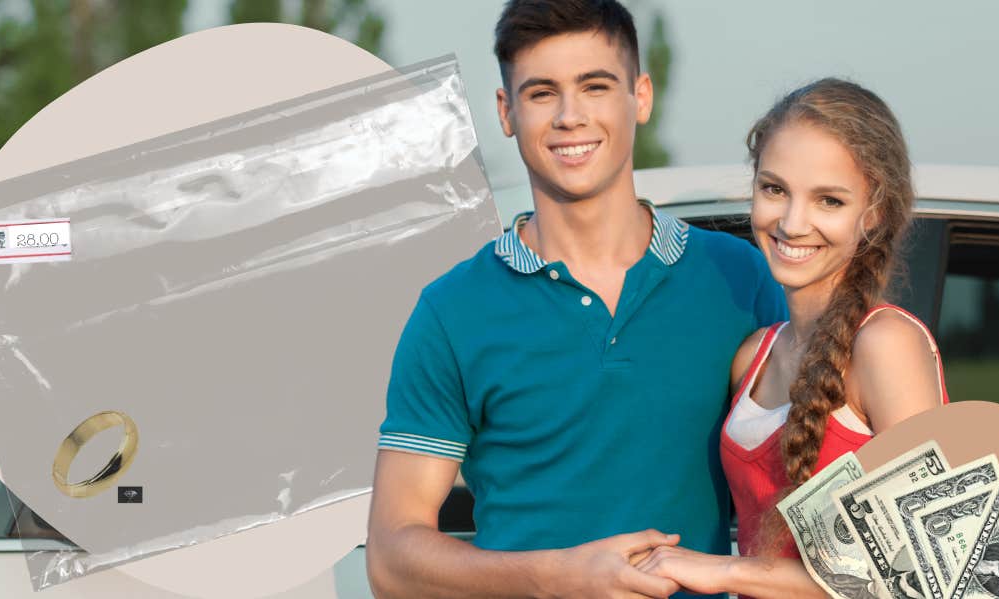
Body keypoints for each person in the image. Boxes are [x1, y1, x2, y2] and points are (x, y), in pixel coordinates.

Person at [365, 1, 785, 597]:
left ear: (640, 96)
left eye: (595, 86)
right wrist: (555, 576)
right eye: (541, 93)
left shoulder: (740, 278)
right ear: (506, 112)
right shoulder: (451, 312)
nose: (569, 116)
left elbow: (817, 479)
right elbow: (389, 559)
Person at [633, 78, 948, 598]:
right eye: (775, 189)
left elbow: (923, 575)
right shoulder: (754, 356)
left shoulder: (885, 345)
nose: (793, 223)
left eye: (829, 200)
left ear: (874, 215)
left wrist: (726, 572)